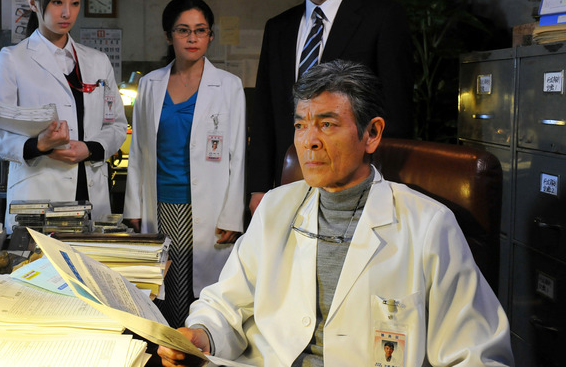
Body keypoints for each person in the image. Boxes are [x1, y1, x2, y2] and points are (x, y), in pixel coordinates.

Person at [157, 60, 513, 367]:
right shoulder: (275, 209)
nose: (308, 141)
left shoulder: (428, 225)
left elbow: (475, 354)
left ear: (371, 134)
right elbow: (226, 303)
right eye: (301, 125)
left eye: (327, 124)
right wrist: (203, 333)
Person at [248, 0, 414, 214]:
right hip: (289, 184)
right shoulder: (279, 28)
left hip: (356, 185)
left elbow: (397, 111)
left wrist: (386, 188)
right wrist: (259, 187)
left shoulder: (382, 17)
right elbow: (265, 112)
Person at [0, 0, 127, 233]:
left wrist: (91, 148)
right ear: (33, 2)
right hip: (38, 197)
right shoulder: (11, 60)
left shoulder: (97, 61)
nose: (67, 13)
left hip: (91, 195)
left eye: (75, 3)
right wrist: (37, 145)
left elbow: (116, 125)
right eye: (57, 2)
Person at [123, 0, 246, 328]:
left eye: (200, 30)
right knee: (162, 294)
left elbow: (237, 156)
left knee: (202, 296)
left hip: (208, 207)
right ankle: (168, 351)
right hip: (160, 204)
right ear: (169, 36)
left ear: (210, 35)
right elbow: (139, 152)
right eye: (183, 30)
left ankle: (200, 350)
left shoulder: (229, 86)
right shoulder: (150, 84)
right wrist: (133, 205)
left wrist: (233, 214)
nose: (192, 38)